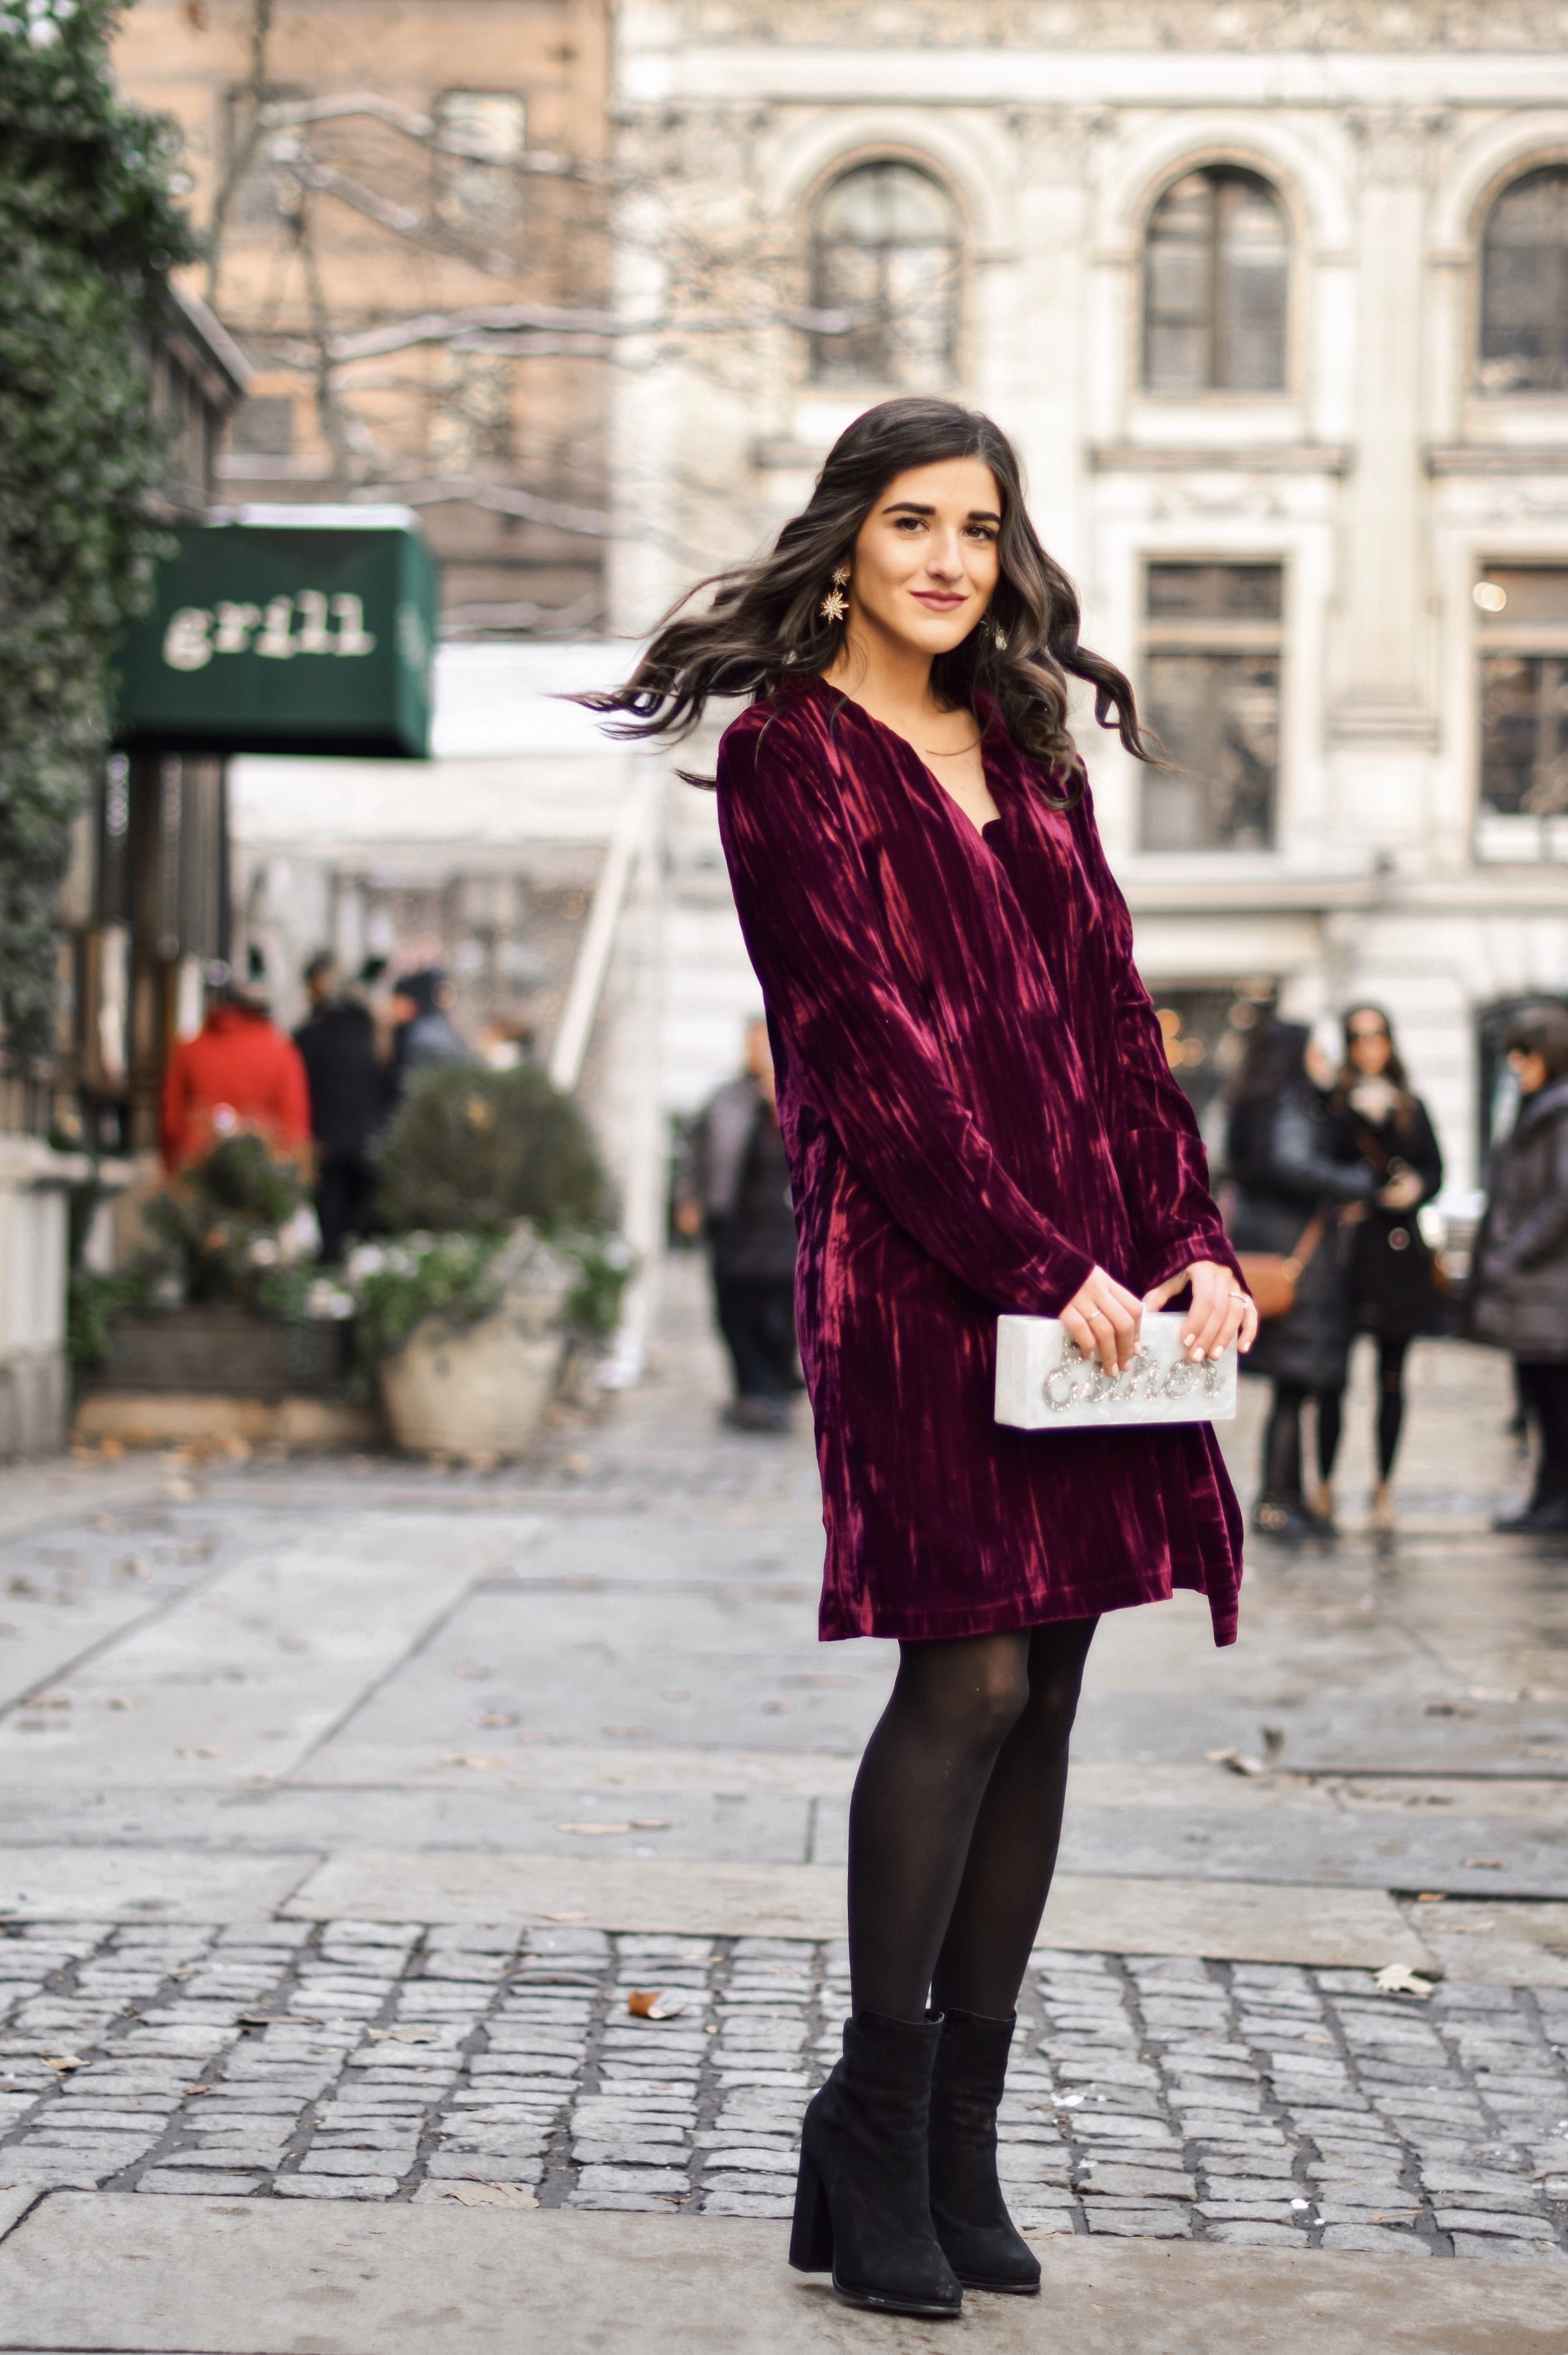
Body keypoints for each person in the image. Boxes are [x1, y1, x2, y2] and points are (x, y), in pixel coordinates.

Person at [585, 396, 1257, 2320]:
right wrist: (1042, 1265)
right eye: (911, 524)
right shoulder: (792, 758)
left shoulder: (1037, 751)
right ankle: (873, 2126)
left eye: (978, 526)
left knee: (1048, 1693)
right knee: (959, 1679)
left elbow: (1121, 1028)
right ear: (847, 544)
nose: (951, 559)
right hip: (922, 1288)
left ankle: (958, 2140)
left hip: (1099, 1302)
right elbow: (866, 1054)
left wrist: (1190, 1241)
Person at [1226, 1018, 1376, 1541]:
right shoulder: (1290, 1104)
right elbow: (1294, 1164)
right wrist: (1358, 1183)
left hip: (1275, 1247)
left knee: (1293, 1384)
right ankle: (1278, 1498)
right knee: (1296, 1383)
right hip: (1297, 1257)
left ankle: (1282, 1496)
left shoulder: (1255, 1101)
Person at [1333, 1004, 1444, 1527]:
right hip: (1351, 1256)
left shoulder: (1410, 1105)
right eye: (1357, 1037)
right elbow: (1323, 1172)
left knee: (1393, 1378)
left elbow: (1435, 1169)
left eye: (1376, 1035)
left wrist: (1416, 1189)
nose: (1368, 1045)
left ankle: (1383, 1485)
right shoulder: (1334, 1106)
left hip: (1401, 1256)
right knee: (1331, 1376)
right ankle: (1325, 1483)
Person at [1470, 1002, 1568, 1535]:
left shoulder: (1559, 1111)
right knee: (1540, 1396)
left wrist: (1517, 1252)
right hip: (1534, 1289)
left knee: (1554, 1400)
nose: (1514, 1063)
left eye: (1524, 1053)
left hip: (1550, 1287)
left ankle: (1556, 1501)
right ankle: (1547, 1498)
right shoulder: (1536, 1107)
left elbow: (1564, 1195)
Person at [676, 1017, 801, 1432]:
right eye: (753, 1044)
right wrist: (688, 1199)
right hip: (733, 1220)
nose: (758, 1053)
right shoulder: (725, 1099)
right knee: (734, 1308)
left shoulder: (801, 1094)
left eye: (766, 1044)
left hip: (785, 1225)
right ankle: (751, 1391)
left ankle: (775, 1390)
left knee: (782, 1311)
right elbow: (697, 1153)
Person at [159, 963, 311, 1175]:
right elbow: (294, 1128)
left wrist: (171, 1172)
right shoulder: (282, 1053)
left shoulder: (190, 1050)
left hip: (198, 1173)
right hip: (261, 1177)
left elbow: (171, 1122)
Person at [292, 953, 389, 1263]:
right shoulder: (375, 1040)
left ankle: (331, 1263)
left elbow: (302, 1090)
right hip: (367, 1138)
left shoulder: (310, 1037)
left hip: (326, 1138)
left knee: (329, 1209)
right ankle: (351, 1266)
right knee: (357, 1209)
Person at [388, 968, 470, 1089]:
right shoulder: (440, 1028)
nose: (391, 1008)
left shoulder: (421, 1036)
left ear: (411, 1002)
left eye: (397, 1001)